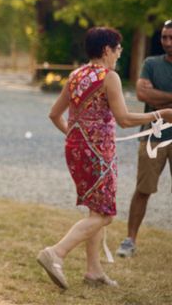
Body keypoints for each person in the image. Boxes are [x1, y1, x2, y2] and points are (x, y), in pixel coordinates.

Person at [38, 26, 172, 290]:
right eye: (118, 49)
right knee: (106, 214)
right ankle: (56, 253)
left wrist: (76, 136)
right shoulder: (109, 77)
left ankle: (94, 272)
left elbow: (55, 114)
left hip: (76, 151)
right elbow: (123, 119)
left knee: (96, 210)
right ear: (106, 49)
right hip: (99, 154)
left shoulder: (76, 75)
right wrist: (160, 115)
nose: (119, 54)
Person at [116, 19, 172, 258]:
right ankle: (130, 240)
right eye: (164, 37)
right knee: (143, 189)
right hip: (154, 136)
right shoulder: (150, 63)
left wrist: (158, 97)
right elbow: (141, 93)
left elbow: (150, 95)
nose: (167, 42)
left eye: (171, 37)